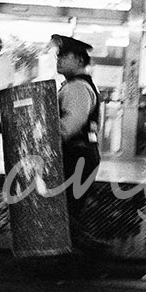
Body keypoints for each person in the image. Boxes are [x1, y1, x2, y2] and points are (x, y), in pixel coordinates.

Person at [53, 35, 101, 252]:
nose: (59, 59)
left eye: (64, 55)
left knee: (66, 212)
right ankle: (82, 255)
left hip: (76, 156)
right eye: (58, 55)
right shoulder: (75, 85)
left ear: (80, 61)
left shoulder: (77, 88)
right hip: (80, 155)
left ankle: (87, 255)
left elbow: (69, 125)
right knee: (68, 211)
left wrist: (48, 139)